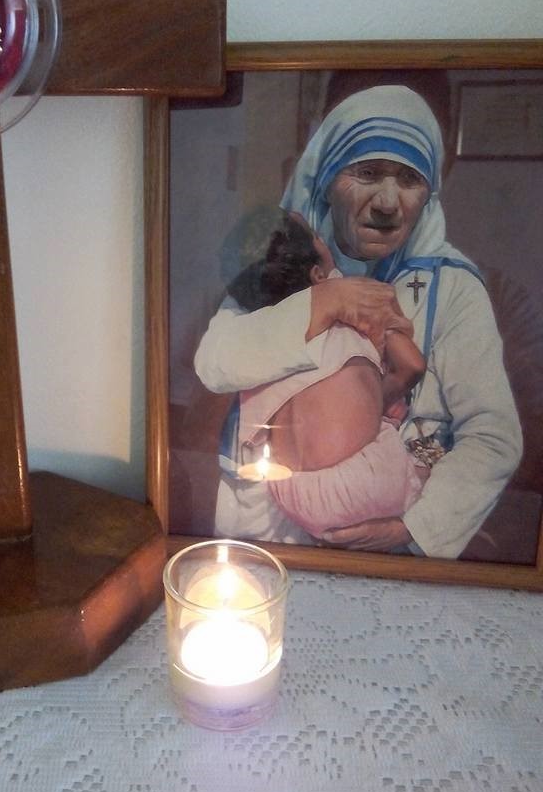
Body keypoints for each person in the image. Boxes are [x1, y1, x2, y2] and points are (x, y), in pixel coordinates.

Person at [194, 85, 522, 558]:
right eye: (367, 173)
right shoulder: (278, 257)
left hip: (388, 537)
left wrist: (412, 526)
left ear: (429, 192)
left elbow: (493, 435)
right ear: (327, 178)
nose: (388, 202)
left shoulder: (454, 290)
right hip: (266, 527)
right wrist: (327, 301)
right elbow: (215, 364)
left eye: (409, 180)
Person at [227, 212, 427, 541]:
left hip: (290, 493)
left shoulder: (263, 334)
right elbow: (413, 367)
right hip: (360, 484)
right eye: (319, 239)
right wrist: (373, 401)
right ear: (319, 274)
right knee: (420, 456)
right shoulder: (353, 308)